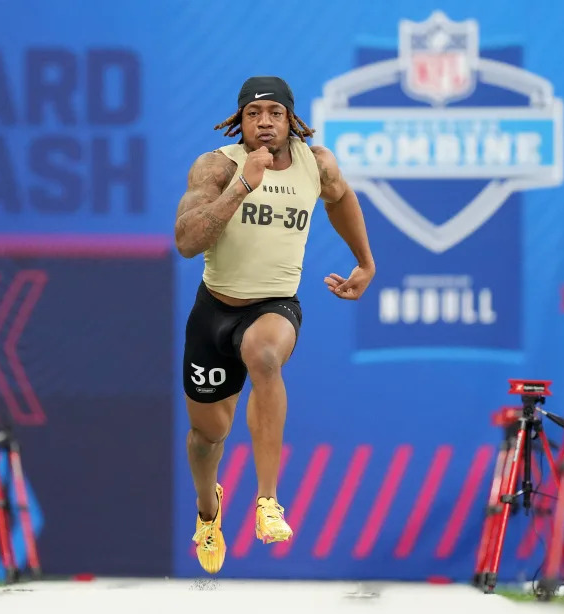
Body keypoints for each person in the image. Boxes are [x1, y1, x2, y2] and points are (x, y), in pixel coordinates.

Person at [173, 75, 376, 574]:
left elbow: (341, 197)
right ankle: (208, 512)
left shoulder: (316, 163)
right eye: (253, 114)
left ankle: (268, 502)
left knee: (265, 356)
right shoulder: (218, 167)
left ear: (292, 121)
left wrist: (365, 263)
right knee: (206, 438)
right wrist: (243, 185)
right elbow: (186, 240)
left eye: (275, 113)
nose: (264, 122)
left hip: (273, 306)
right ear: (239, 123)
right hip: (214, 312)